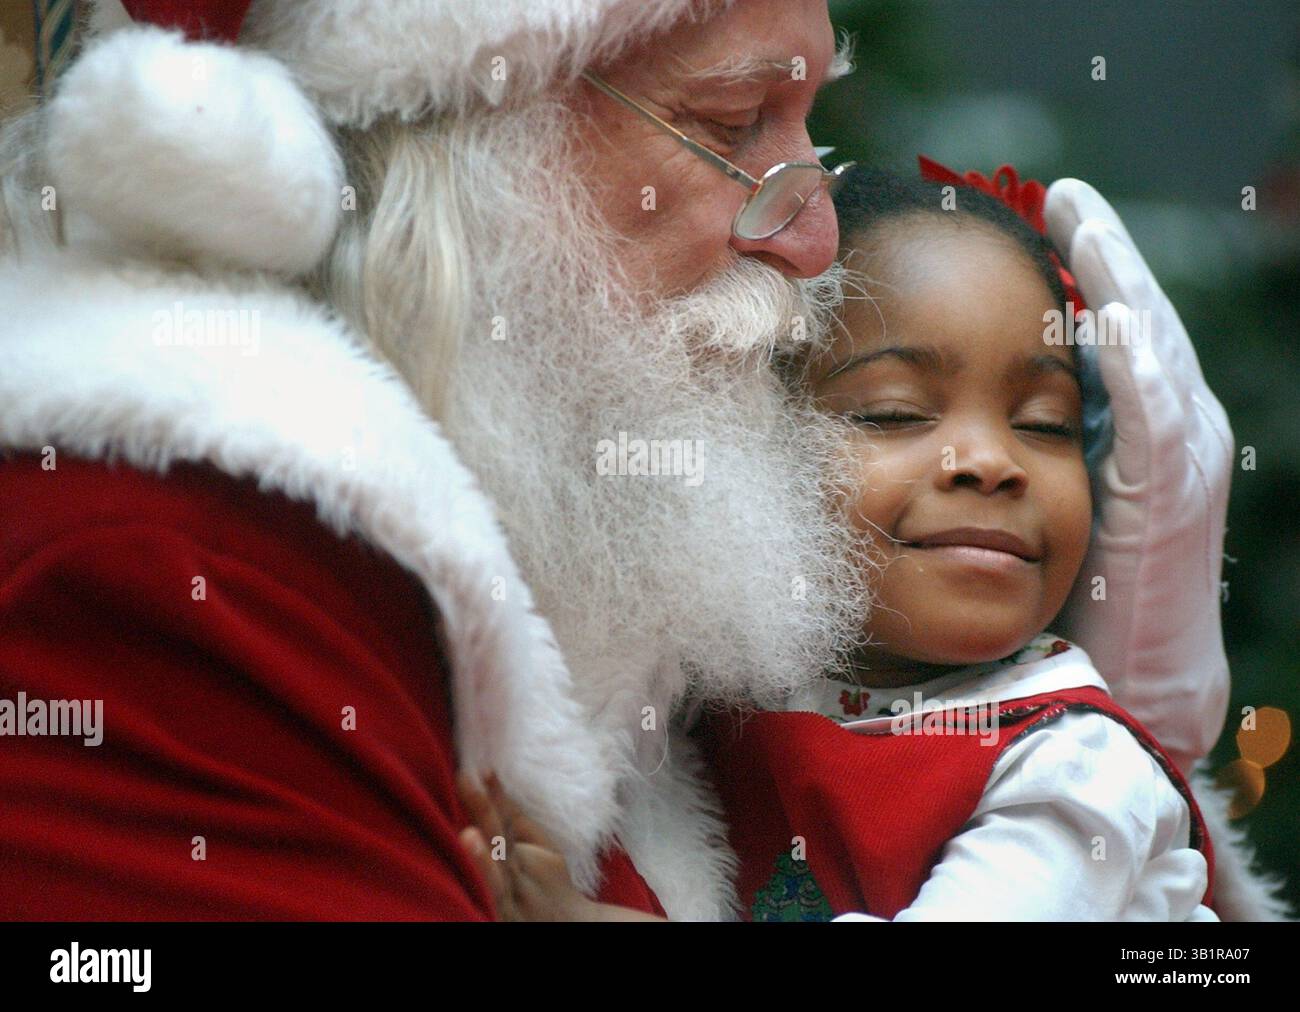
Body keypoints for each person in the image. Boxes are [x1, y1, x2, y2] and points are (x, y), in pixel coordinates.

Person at [0, 0, 1279, 920]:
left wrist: (1126, 757)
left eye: (811, 127)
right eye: (733, 120)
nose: (817, 241)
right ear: (467, 153)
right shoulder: (172, 572)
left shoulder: (664, 620)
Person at [451, 163, 1217, 921]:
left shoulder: (1079, 767)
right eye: (894, 413)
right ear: (756, 449)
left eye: (1045, 424)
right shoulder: (707, 705)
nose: (990, 461)